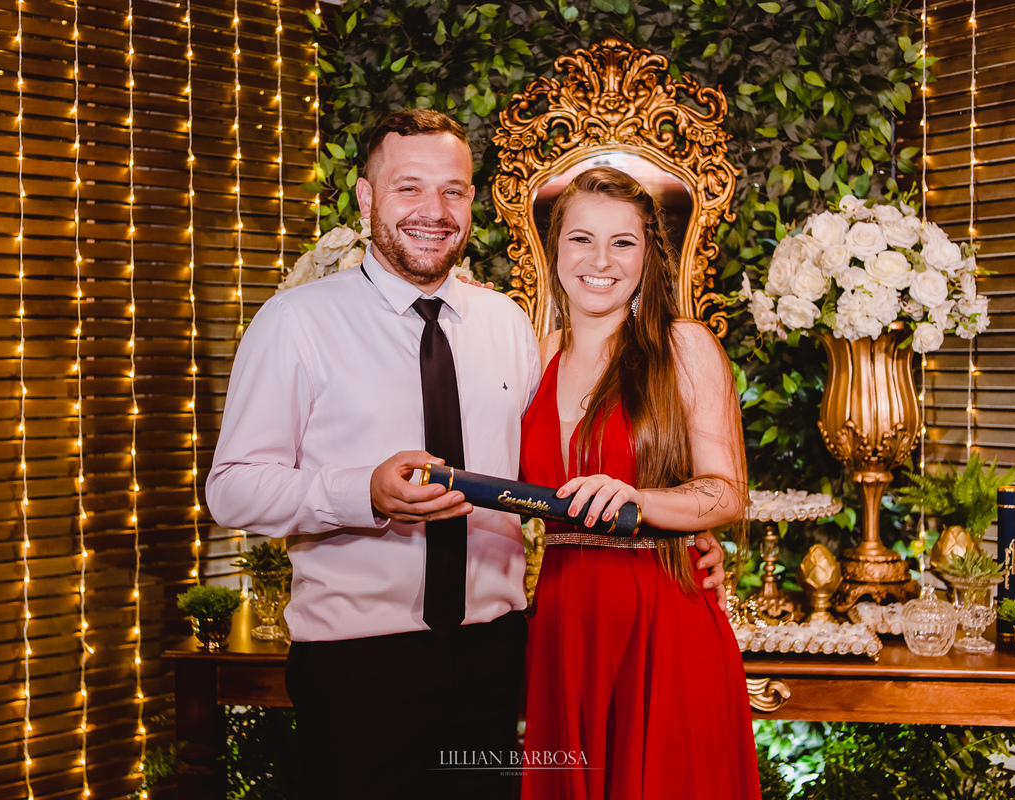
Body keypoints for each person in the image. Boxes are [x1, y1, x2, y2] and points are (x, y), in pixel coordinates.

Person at [206, 110, 726, 799]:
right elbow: (232, 489)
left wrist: (677, 523)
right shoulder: (296, 323)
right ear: (365, 198)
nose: (434, 210)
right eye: (409, 188)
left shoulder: (508, 326)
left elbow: (564, 463)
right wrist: (363, 491)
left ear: (472, 202)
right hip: (359, 665)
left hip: (496, 654)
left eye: (452, 190)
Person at [519, 166, 760, 800]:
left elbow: (727, 492)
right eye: (581, 239)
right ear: (554, 249)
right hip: (565, 623)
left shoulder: (683, 347)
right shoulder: (533, 356)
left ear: (648, 255)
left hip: (662, 617)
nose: (600, 260)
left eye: (622, 242)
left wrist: (643, 501)